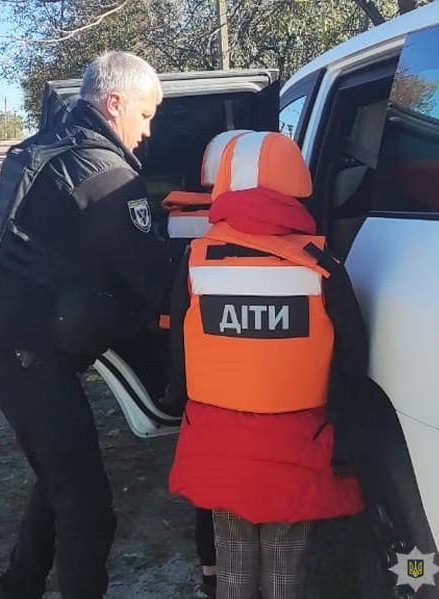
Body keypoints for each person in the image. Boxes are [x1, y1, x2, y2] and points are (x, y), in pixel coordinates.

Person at [0, 51, 170, 599]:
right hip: (27, 357)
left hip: (6, 340)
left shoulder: (53, 148)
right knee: (88, 506)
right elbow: (152, 279)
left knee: (59, 481)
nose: (148, 131)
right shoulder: (104, 173)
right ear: (114, 103)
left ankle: (18, 587)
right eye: (147, 115)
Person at [167, 131, 369, 598]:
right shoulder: (322, 266)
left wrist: (177, 402)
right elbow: (350, 361)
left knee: (233, 561)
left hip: (217, 439)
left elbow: (179, 347)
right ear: (295, 184)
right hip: (299, 441)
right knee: (285, 564)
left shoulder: (196, 261)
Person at [161, 128, 253, 599]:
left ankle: (215, 579)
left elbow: (177, 323)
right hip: (282, 390)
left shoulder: (187, 231)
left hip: (209, 393)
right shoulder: (306, 244)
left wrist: (176, 395)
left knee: (213, 491)